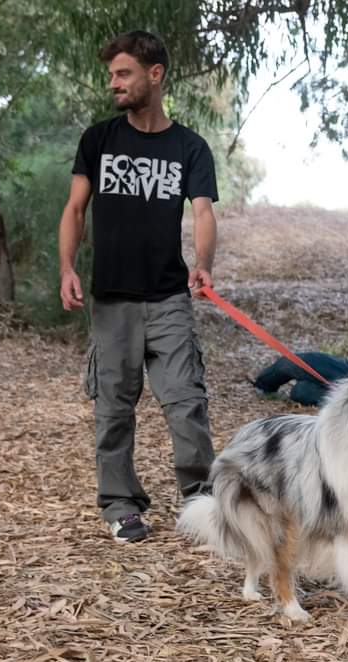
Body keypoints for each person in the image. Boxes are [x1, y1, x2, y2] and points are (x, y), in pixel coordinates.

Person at [58, 30, 217, 543]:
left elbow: (202, 211)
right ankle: (121, 505)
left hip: (169, 297)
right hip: (113, 301)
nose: (114, 84)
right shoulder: (99, 140)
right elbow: (75, 209)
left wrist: (203, 264)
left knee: (186, 403)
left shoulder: (189, 147)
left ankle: (200, 501)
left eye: (122, 73)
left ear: (155, 75)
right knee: (113, 409)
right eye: (111, 76)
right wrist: (67, 267)